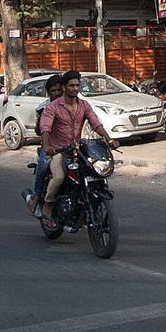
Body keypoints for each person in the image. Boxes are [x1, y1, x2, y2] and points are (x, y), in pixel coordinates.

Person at [38, 71, 112, 232]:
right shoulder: (53, 107)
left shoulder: (84, 105)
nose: (75, 88)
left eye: (77, 85)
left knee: (94, 173)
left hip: (78, 150)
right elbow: (45, 127)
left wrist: (108, 138)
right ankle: (48, 206)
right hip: (59, 151)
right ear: (64, 87)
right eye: (71, 85)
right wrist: (46, 146)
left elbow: (95, 122)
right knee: (58, 177)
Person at [24, 74, 69, 212]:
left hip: (70, 145)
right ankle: (37, 196)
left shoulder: (72, 103)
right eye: (53, 91)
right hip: (51, 146)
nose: (56, 93)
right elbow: (40, 130)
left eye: (58, 90)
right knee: (43, 165)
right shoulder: (43, 107)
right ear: (49, 92)